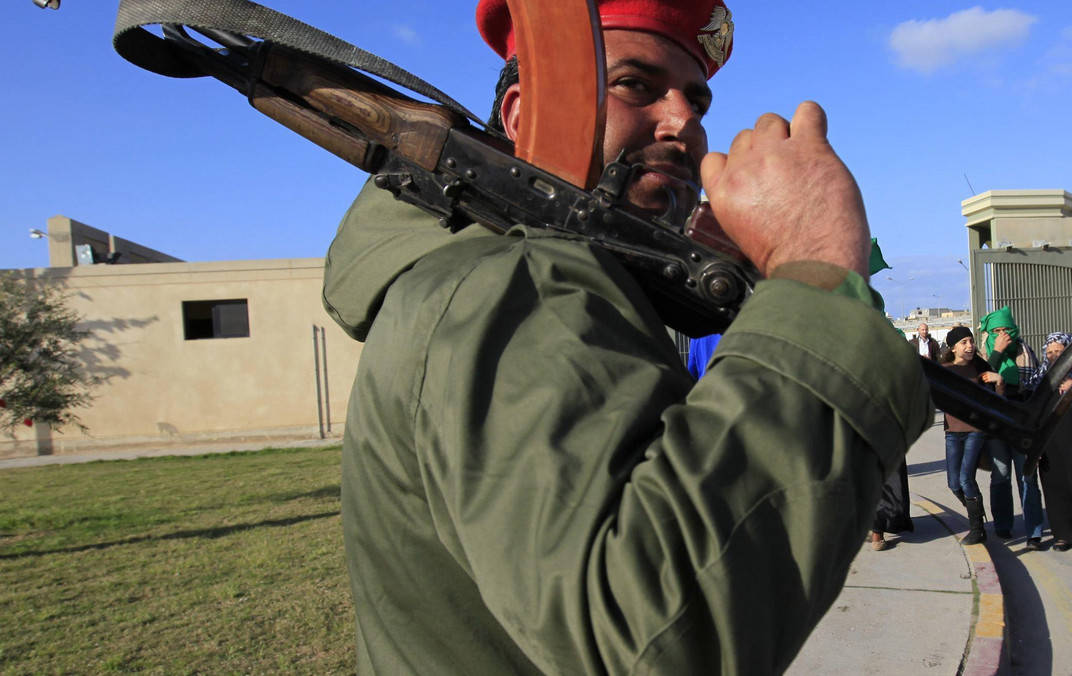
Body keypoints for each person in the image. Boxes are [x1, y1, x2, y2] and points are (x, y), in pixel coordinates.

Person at [322, 1, 932, 672]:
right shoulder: (516, 285)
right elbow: (659, 636)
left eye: (696, 100)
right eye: (635, 86)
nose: (685, 125)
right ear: (525, 117)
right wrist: (811, 264)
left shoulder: (481, 273)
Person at [978, 306, 1045, 550]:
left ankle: (1034, 531)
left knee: (1027, 476)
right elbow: (979, 381)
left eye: (1006, 329)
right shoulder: (984, 353)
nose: (1003, 334)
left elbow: (1037, 386)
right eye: (996, 330)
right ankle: (1003, 524)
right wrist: (996, 352)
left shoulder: (1025, 351)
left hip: (1022, 422)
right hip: (996, 424)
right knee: (1001, 475)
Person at [940, 325, 1002, 545]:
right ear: (953, 348)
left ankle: (977, 530)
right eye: (964, 342)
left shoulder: (979, 369)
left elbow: (996, 402)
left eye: (971, 341)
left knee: (966, 479)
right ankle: (977, 517)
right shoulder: (943, 370)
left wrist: (999, 381)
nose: (969, 346)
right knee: (953, 483)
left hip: (975, 431)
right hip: (952, 432)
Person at [1035, 332, 1072, 551]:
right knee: (1055, 485)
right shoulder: (1042, 379)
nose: (1054, 356)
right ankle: (1063, 534)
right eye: (1049, 352)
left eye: (1059, 351)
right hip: (1051, 442)